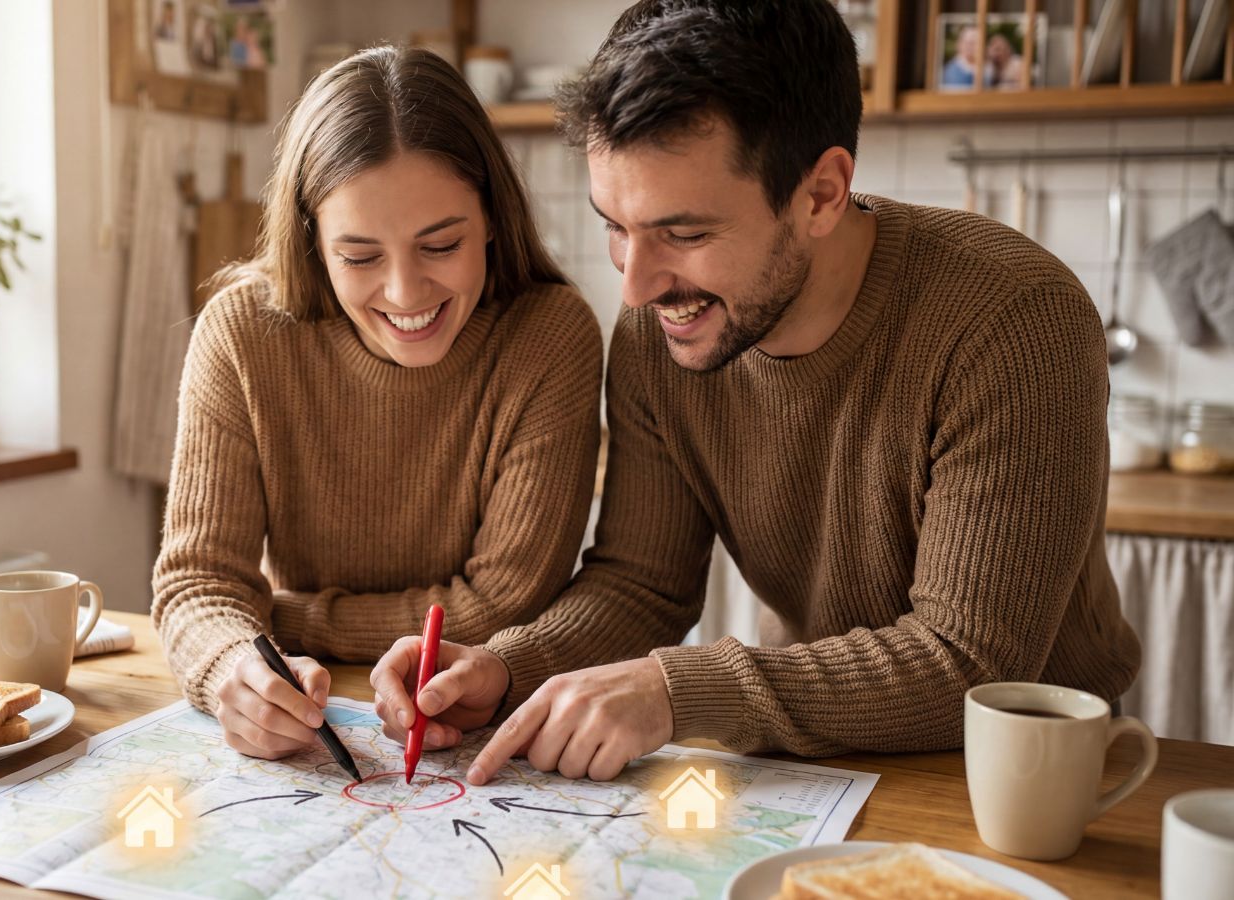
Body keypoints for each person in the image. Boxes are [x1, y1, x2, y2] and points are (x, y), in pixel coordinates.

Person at [371, 0, 1140, 784]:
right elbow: (643, 583)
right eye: (616, 225)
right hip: (812, 761)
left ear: (821, 194)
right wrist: (507, 666)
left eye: (686, 234)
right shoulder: (663, 334)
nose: (635, 287)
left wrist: (676, 689)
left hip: (1031, 772)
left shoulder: (1011, 319)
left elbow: (966, 664)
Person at [153, 46, 603, 761]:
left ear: (491, 216)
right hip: (311, 715)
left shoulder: (548, 337)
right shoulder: (242, 334)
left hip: (466, 711)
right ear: (313, 244)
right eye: (360, 257)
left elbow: (503, 603)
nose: (404, 293)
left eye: (441, 244)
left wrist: (286, 616)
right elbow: (199, 580)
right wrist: (233, 667)